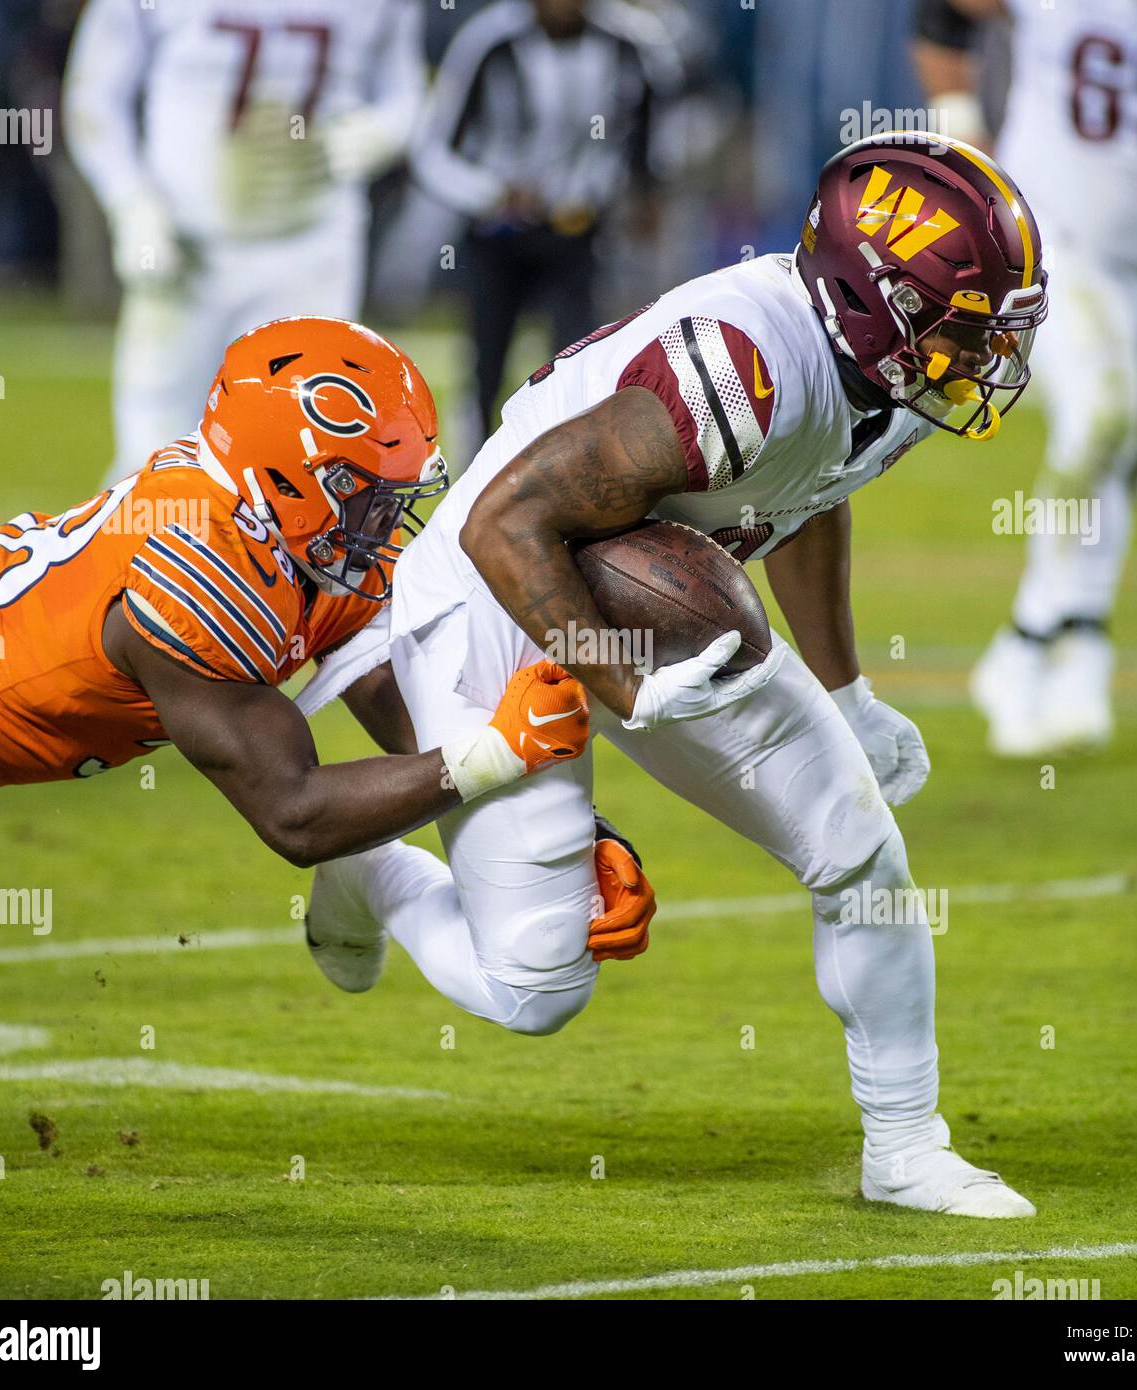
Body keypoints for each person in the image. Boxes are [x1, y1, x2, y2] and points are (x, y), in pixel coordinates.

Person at [303, 133, 1049, 1216]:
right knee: (537, 984)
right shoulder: (740, 368)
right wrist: (625, 689)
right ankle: (371, 869)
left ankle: (904, 1145)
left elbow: (805, 494)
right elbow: (509, 522)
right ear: (871, 297)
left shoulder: (877, 371)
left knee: (859, 849)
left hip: (650, 591)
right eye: (963, 328)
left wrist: (846, 695)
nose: (980, 359)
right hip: (500, 597)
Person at [0, 315, 653, 967]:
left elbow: (401, 693)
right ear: (286, 474)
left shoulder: (283, 526)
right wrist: (498, 752)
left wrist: (577, 830)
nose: (385, 521)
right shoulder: (199, 568)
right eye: (367, 494)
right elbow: (296, 816)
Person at [914, 0, 1137, 754]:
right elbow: (941, 12)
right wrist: (960, 116)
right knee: (1104, 417)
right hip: (1063, 242)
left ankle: (1045, 640)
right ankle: (1060, 639)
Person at [63, 0, 427, 482]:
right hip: (185, 242)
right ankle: (148, 556)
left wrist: (382, 132)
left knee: (302, 458)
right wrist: (132, 202)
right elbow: (94, 96)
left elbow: (406, 92)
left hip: (312, 245)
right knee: (153, 457)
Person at [410, 0, 679, 438]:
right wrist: (492, 192)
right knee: (487, 360)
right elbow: (432, 150)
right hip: (498, 232)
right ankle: (478, 467)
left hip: (578, 228)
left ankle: (567, 468)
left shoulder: (632, 43)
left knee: (579, 358)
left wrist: (645, 191)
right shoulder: (488, 41)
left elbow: (656, 129)